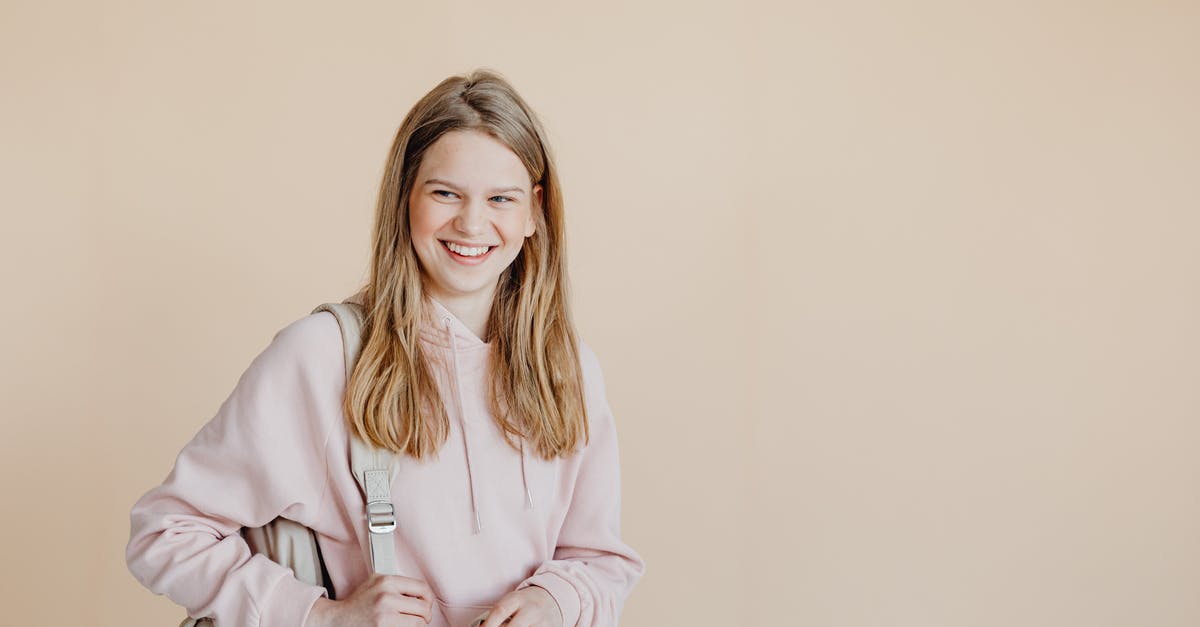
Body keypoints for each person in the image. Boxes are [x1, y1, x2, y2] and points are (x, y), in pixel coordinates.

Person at [125, 68, 646, 627]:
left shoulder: (570, 371)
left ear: (534, 213)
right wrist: (319, 616)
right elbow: (165, 530)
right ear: (405, 198)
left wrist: (558, 599)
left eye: (501, 197)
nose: (472, 222)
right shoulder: (325, 357)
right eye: (445, 193)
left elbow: (599, 561)